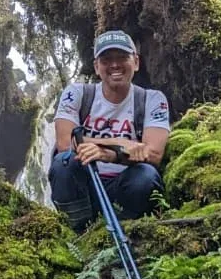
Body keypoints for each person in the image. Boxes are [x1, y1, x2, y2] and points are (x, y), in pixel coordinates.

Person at [49, 30, 170, 231]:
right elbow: (64, 143)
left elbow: (154, 153)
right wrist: (122, 144)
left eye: (122, 57)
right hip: (86, 186)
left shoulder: (153, 99)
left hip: (126, 185)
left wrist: (108, 155)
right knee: (64, 162)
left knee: (146, 175)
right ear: (97, 67)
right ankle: (77, 229)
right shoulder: (77, 94)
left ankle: (130, 228)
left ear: (136, 62)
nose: (115, 65)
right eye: (106, 59)